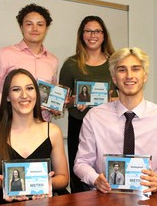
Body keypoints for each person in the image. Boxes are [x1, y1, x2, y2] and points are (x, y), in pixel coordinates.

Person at [74, 47, 157, 194]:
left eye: (135, 69)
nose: (129, 76)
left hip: (147, 198)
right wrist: (95, 179)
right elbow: (81, 163)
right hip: (103, 198)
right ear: (114, 78)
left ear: (145, 76)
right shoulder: (94, 117)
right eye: (122, 70)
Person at [0, 69, 69, 205]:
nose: (24, 95)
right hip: (1, 201)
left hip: (42, 201)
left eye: (30, 88)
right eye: (16, 90)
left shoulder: (53, 131)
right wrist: (3, 184)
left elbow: (63, 178)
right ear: (7, 96)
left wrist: (46, 184)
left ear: (36, 94)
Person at [59, 15, 117, 193]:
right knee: (80, 172)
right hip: (79, 124)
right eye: (88, 31)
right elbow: (60, 101)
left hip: (109, 126)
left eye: (97, 31)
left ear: (104, 35)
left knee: (107, 170)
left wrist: (111, 100)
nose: (93, 35)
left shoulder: (115, 62)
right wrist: (74, 101)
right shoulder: (70, 64)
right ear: (82, 35)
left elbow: (126, 96)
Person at [0, 3, 58, 121]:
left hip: (43, 127)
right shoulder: (5, 54)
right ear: (21, 27)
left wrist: (55, 106)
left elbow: (52, 96)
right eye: (29, 24)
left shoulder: (53, 60)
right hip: (12, 125)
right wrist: (13, 106)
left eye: (40, 24)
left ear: (46, 28)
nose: (35, 29)